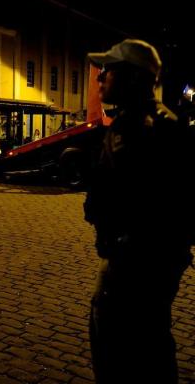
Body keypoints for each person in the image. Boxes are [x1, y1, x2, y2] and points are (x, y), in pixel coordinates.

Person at [84, 39, 194, 384]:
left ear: (132, 78)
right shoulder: (139, 122)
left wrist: (125, 241)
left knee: (130, 347)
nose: (100, 79)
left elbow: (157, 203)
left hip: (137, 264)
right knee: (142, 340)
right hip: (137, 259)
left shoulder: (146, 128)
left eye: (107, 71)